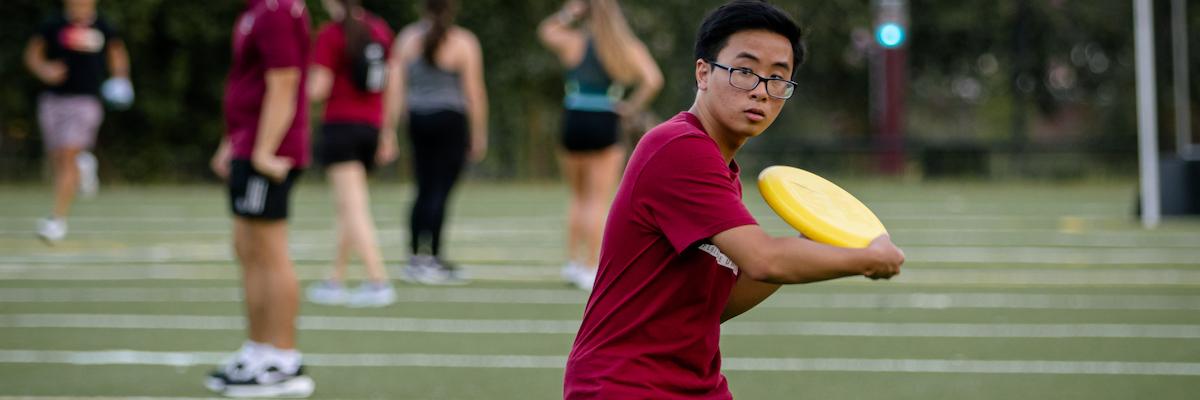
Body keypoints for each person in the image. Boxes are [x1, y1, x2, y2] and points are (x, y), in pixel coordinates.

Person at [562, 1, 906, 398]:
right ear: (703, 72)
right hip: (626, 384)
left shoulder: (718, 167)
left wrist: (808, 243)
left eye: (778, 78)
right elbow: (763, 259)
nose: (761, 91)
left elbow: (715, 306)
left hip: (693, 384)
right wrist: (870, 258)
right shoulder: (678, 148)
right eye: (745, 71)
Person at [205, 0, 314, 397]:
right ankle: (258, 349)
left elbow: (284, 81)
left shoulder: (278, 9)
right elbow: (245, 82)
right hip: (248, 145)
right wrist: (230, 142)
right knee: (247, 246)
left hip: (267, 153)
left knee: (270, 250)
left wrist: (264, 150)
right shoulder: (255, 10)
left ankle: (284, 358)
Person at [539, 0, 663, 291]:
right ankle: (589, 266)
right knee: (598, 198)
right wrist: (631, 107)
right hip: (605, 119)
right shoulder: (624, 47)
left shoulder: (573, 42)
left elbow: (546, 31)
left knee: (578, 196)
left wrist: (570, 12)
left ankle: (571, 263)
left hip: (574, 119)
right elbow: (653, 80)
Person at [304, 0, 398, 307]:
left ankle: (377, 280)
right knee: (348, 206)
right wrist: (387, 130)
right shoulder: (379, 29)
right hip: (370, 126)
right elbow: (390, 83)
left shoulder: (331, 33)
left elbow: (319, 87)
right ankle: (335, 279)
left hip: (341, 126)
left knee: (354, 208)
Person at [391, 0, 488, 284]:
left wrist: (390, 129)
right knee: (440, 190)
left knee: (422, 187)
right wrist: (479, 132)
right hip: (450, 120)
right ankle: (431, 255)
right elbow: (474, 93)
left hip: (419, 119)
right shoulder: (463, 42)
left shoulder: (408, 39)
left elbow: (396, 87)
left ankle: (414, 256)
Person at [24, 0, 131, 243]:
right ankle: (83, 164)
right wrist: (44, 70)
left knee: (68, 153)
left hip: (86, 100)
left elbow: (117, 52)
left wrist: (121, 78)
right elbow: (32, 54)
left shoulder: (103, 25)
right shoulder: (53, 24)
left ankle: (57, 219)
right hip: (53, 100)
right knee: (59, 159)